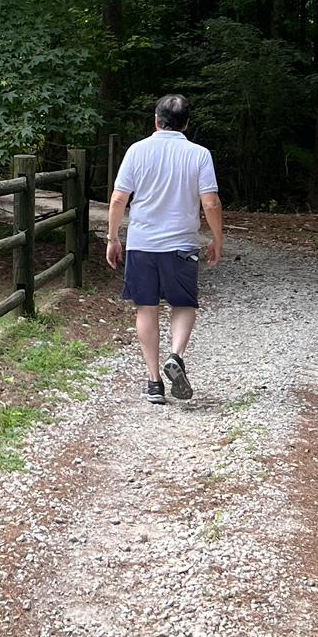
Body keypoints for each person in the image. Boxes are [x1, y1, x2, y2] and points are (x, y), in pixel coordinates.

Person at [104, 93, 223, 404]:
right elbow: (209, 201)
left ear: (155, 120)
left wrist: (112, 238)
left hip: (142, 243)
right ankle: (176, 355)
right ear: (186, 123)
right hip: (182, 244)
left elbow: (119, 199)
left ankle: (154, 382)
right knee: (183, 304)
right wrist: (217, 239)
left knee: (147, 307)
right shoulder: (199, 154)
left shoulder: (136, 151)